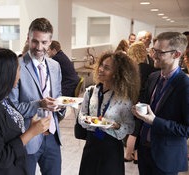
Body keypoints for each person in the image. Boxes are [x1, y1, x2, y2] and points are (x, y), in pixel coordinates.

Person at [9, 18, 65, 175]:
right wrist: (39, 104)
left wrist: (59, 106)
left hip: (53, 137)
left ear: (50, 42)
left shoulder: (55, 66)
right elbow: (12, 108)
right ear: (28, 38)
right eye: (35, 41)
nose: (39, 47)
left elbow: (58, 96)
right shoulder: (17, 66)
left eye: (44, 42)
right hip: (28, 138)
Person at [132, 32, 189, 175]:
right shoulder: (153, 77)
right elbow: (144, 109)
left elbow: (186, 129)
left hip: (166, 156)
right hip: (144, 151)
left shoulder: (185, 85)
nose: (153, 55)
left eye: (159, 52)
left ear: (176, 54)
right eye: (153, 50)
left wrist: (155, 121)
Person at [77, 51, 140, 175]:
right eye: (101, 65)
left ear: (117, 74)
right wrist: (86, 120)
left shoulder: (124, 99)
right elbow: (81, 116)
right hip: (91, 145)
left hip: (111, 148)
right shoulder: (90, 92)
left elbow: (130, 126)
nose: (100, 69)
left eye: (106, 68)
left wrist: (116, 126)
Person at [124, 42, 158, 164]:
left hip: (130, 100)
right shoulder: (149, 69)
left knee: (134, 129)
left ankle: (132, 154)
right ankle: (130, 155)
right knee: (137, 131)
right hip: (142, 102)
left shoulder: (130, 69)